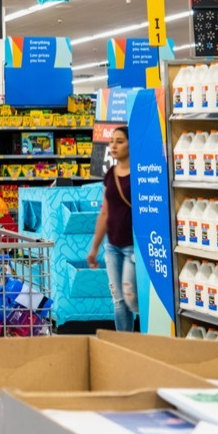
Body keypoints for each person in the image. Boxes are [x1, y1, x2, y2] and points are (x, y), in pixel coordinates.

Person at [87, 127, 136, 332]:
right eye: (112, 141)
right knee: (118, 300)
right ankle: (123, 346)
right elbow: (105, 213)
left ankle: (148, 335)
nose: (114, 145)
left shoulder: (140, 174)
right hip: (113, 247)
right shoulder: (110, 175)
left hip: (133, 248)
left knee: (131, 297)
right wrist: (94, 248)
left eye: (120, 141)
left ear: (130, 144)